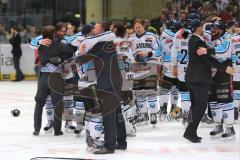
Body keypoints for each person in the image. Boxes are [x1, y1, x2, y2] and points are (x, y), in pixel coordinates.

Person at [183, 19, 233, 143]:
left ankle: (192, 132)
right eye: (201, 27)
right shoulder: (198, 41)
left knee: (196, 106)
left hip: (192, 77)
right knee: (201, 106)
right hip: (199, 79)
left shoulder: (193, 39)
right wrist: (224, 68)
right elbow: (207, 59)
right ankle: (190, 131)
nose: (205, 30)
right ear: (198, 28)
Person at [33, 24, 77, 136]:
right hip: (56, 77)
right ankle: (57, 130)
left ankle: (36, 129)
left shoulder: (41, 45)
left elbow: (33, 43)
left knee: (39, 103)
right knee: (57, 103)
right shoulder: (59, 45)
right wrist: (62, 57)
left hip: (43, 77)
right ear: (54, 34)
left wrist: (39, 42)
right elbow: (73, 49)